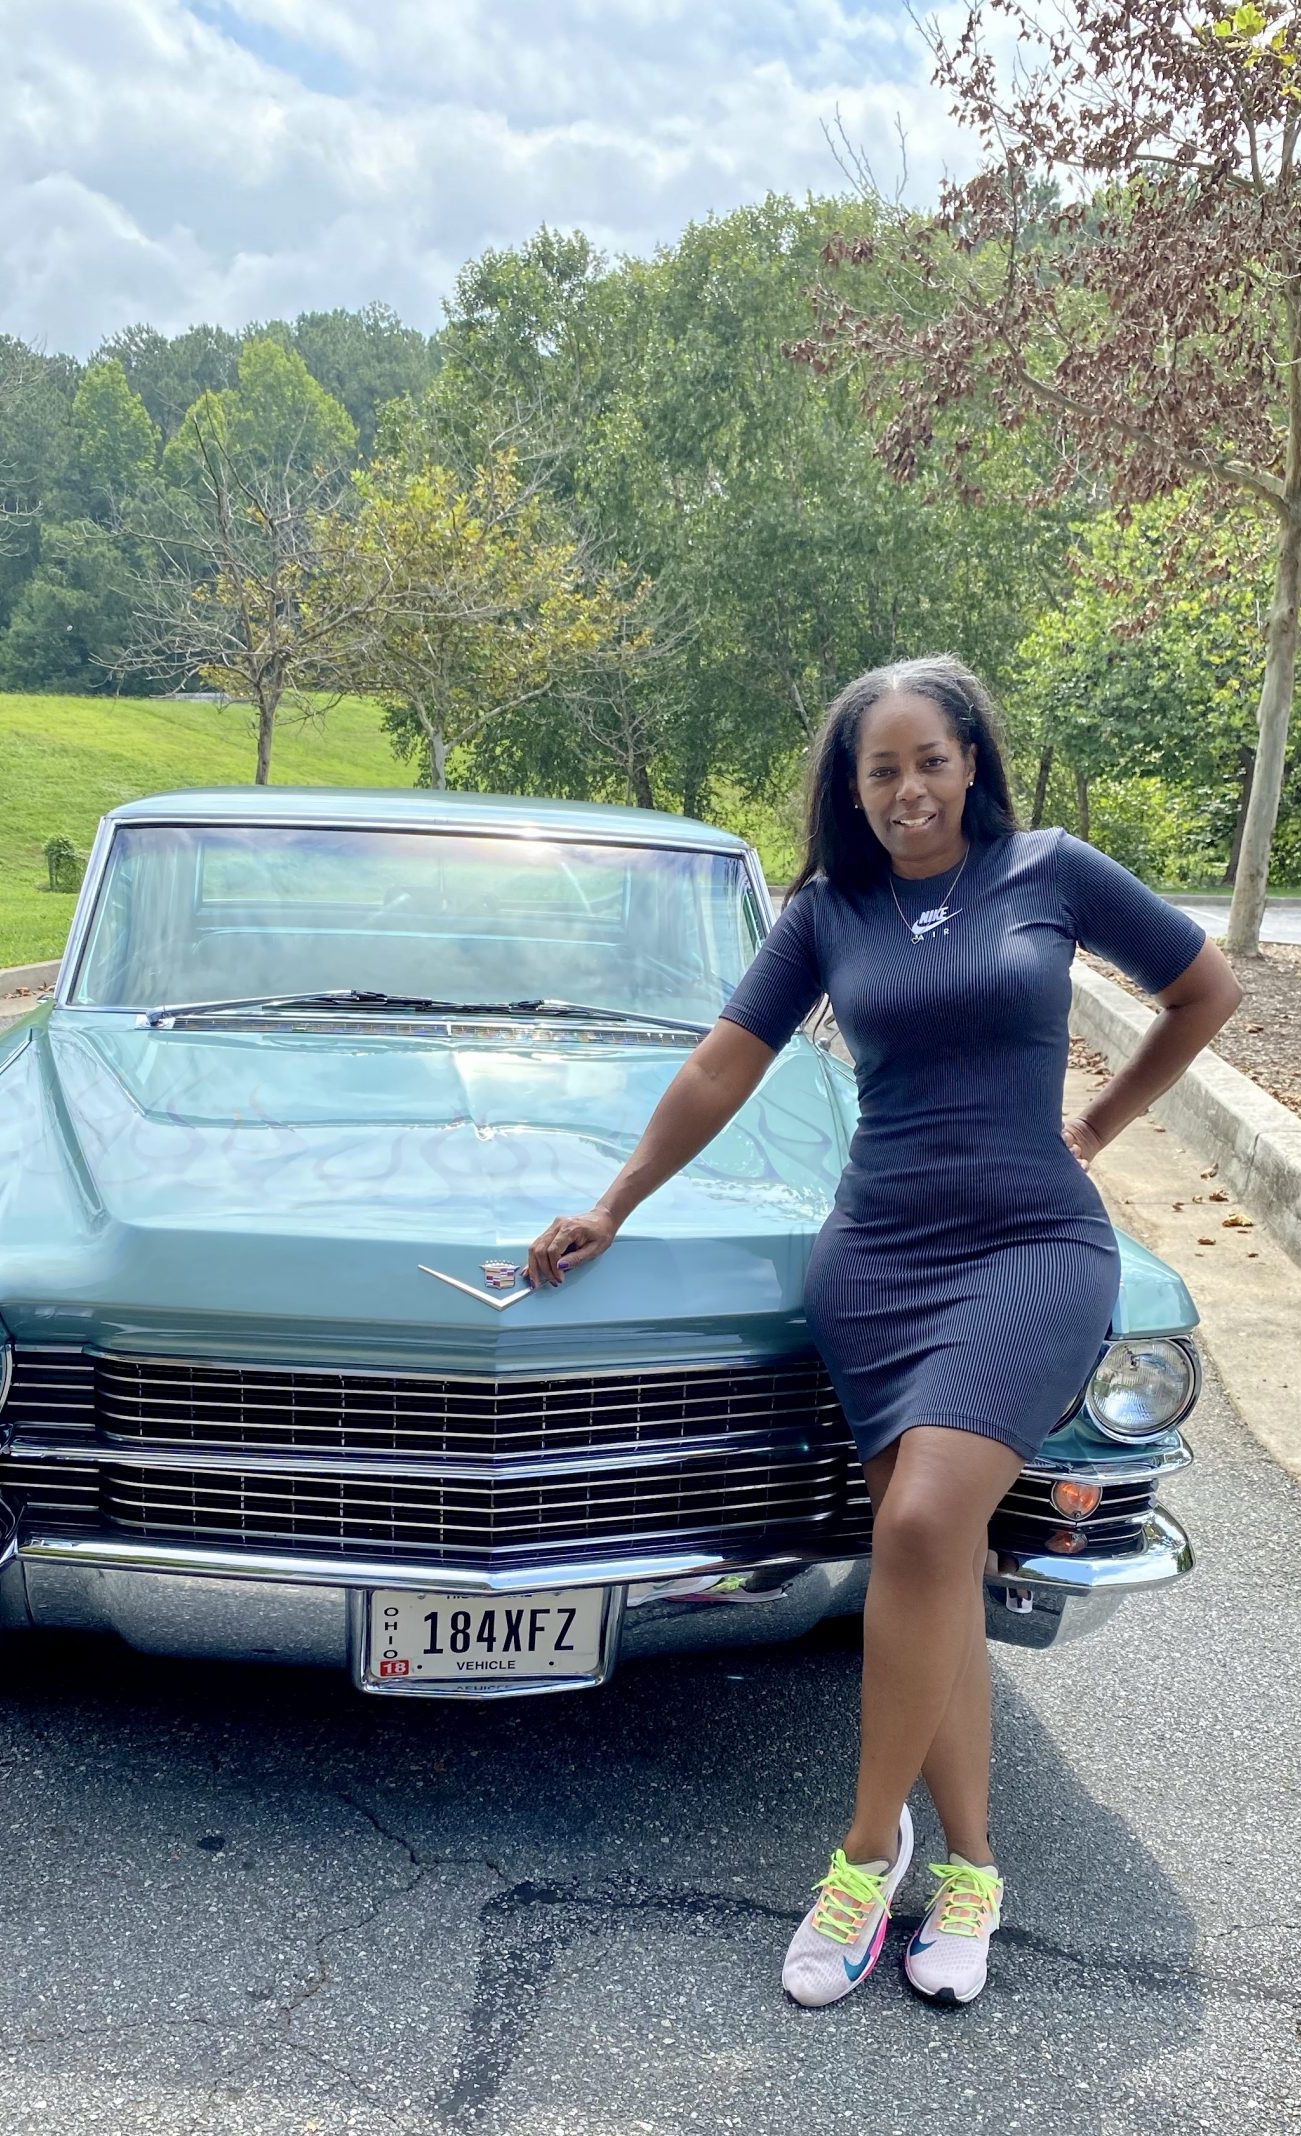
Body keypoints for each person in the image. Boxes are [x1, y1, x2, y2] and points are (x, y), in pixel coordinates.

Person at [527, 657, 1241, 2010]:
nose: (909, 790)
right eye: (882, 770)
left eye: (930, 761)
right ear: (850, 792)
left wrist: (1097, 1128)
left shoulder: (1049, 872)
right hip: (879, 1263)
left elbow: (1206, 991)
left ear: (972, 762)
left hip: (1034, 1249)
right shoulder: (828, 913)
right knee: (939, 1561)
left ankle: (865, 1855)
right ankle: (970, 1871)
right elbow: (722, 1064)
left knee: (918, 1528)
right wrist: (615, 1203)